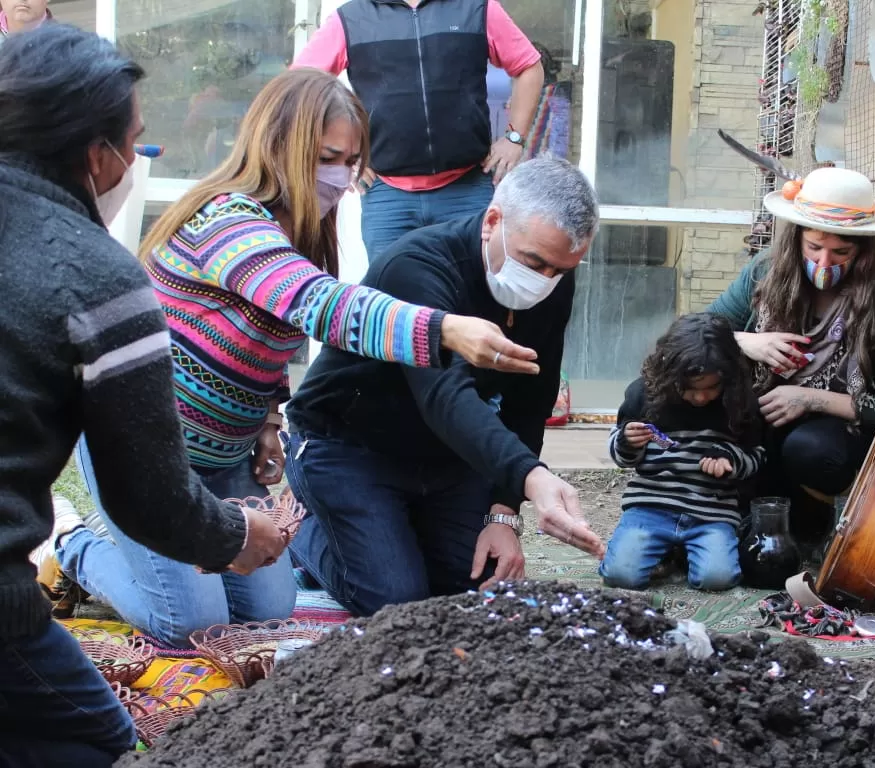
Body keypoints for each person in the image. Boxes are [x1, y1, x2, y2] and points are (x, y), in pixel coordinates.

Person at [54, 68, 539, 649]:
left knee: (268, 613)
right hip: (140, 451)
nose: (340, 177)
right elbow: (316, 304)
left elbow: (267, 339)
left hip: (222, 461)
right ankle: (72, 545)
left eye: (351, 160)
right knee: (189, 625)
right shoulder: (226, 220)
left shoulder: (302, 235)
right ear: (281, 146)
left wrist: (266, 421)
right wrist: (446, 329)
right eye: (328, 157)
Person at [0, 24, 286, 767]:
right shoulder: (93, 276)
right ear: (98, 156)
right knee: (94, 740)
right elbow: (148, 497)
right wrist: (235, 537)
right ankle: (77, 549)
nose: (137, 162)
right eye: (137, 144)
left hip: (219, 466)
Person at [284, 156, 605, 617]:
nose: (545, 280)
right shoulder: (416, 266)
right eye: (535, 262)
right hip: (349, 445)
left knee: (471, 592)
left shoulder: (553, 279)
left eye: (562, 269)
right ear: (493, 221)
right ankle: (304, 528)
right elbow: (443, 396)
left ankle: (394, 529)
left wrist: (504, 513)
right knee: (397, 602)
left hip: (445, 455)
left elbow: (531, 400)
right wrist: (533, 478)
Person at [707, 167, 875, 555]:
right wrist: (748, 341)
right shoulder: (764, 273)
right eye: (814, 248)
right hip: (759, 414)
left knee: (810, 448)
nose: (825, 262)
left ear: (865, 251)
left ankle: (815, 521)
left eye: (841, 252)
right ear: (796, 239)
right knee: (654, 399)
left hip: (830, 434)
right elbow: (698, 333)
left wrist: (808, 399)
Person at [292, 0, 545, 258]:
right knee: (392, 293)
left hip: (467, 190)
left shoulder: (477, 8)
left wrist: (515, 138)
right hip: (387, 197)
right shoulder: (350, 19)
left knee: (470, 291)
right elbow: (299, 90)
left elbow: (528, 66)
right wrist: (341, 158)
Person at [600, 314, 765, 591]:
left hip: (711, 513)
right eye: (689, 389)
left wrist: (732, 460)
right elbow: (621, 456)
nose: (701, 397)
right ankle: (660, 549)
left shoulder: (740, 403)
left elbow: (757, 456)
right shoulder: (643, 394)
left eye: (712, 388)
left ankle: (682, 554)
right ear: (669, 373)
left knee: (717, 579)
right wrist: (627, 443)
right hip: (650, 507)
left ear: (729, 376)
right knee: (621, 576)